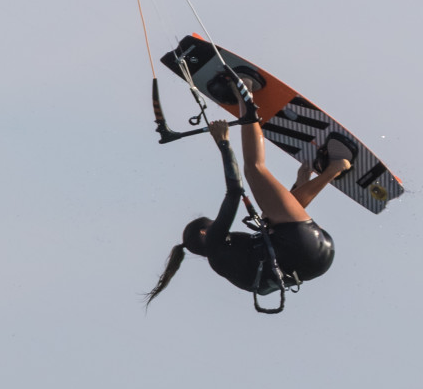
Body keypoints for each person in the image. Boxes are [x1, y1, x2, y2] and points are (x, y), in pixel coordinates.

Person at [146, 117, 351, 306]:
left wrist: (299, 184)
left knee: (268, 219)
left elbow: (278, 224)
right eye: (212, 223)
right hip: (302, 248)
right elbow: (235, 192)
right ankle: (247, 96)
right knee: (254, 168)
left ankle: (323, 174)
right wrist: (223, 143)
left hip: (317, 262)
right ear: (203, 232)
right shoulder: (214, 242)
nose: (217, 223)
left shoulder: (223, 260)